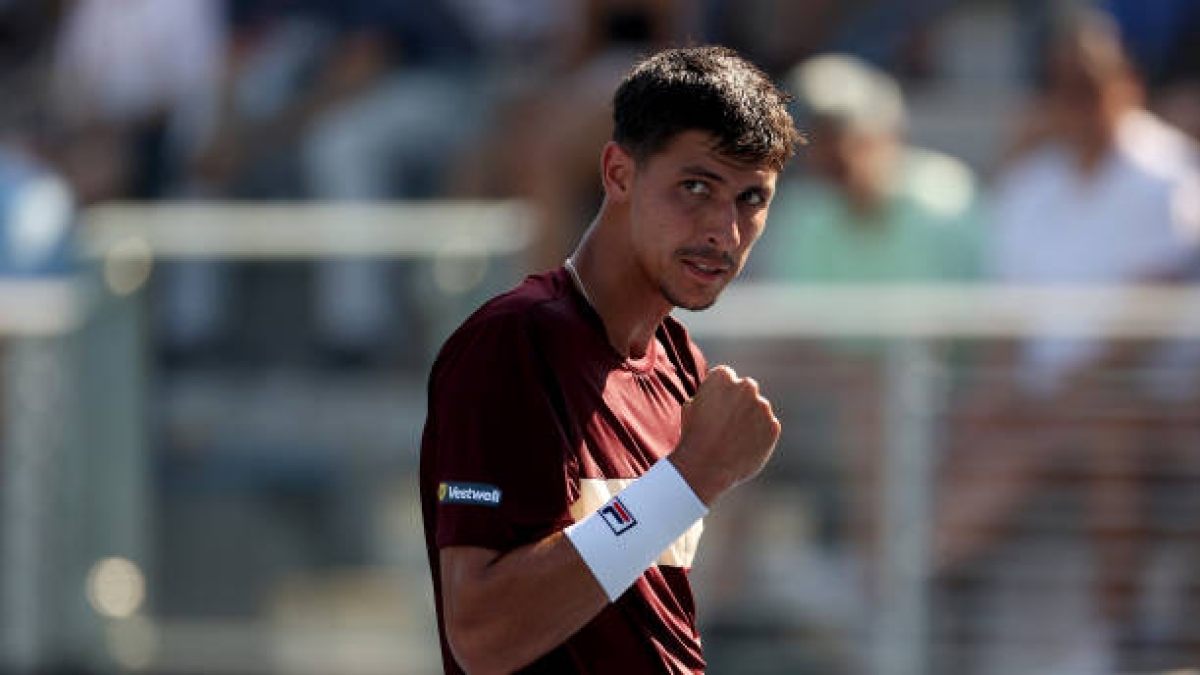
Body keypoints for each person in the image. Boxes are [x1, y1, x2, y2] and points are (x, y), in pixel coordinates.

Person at [419, 45, 802, 673]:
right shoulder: (511, 343)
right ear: (619, 174)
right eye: (696, 187)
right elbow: (483, 635)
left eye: (751, 200)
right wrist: (689, 479)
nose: (724, 232)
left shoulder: (681, 364)